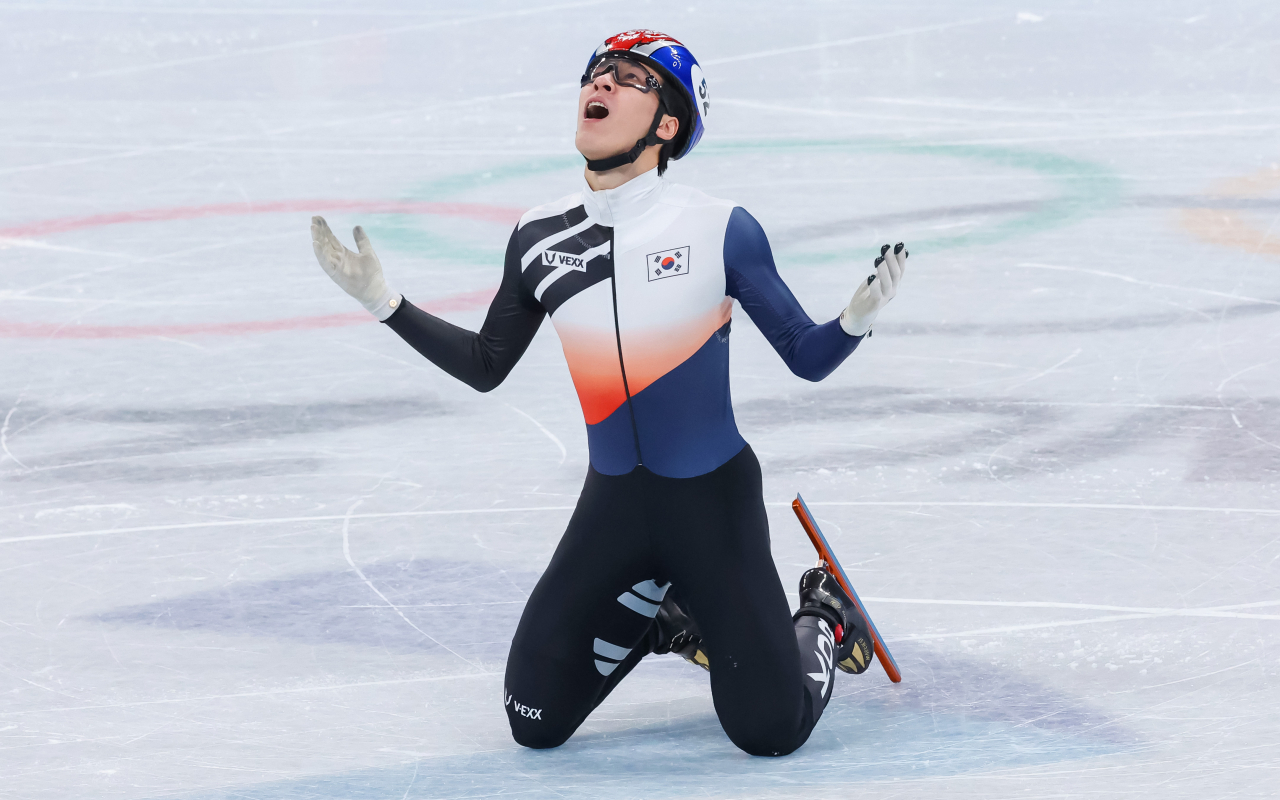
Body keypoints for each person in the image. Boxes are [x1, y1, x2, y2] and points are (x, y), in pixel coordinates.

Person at [311, 29, 907, 757]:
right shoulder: (537, 235)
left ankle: (824, 615)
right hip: (615, 505)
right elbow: (486, 364)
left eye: (628, 78)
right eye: (596, 73)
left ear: (667, 125)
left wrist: (853, 323)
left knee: (768, 731)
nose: (600, 85)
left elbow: (804, 358)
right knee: (532, 720)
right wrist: (384, 302)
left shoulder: (719, 228)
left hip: (710, 503)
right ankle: (666, 614)